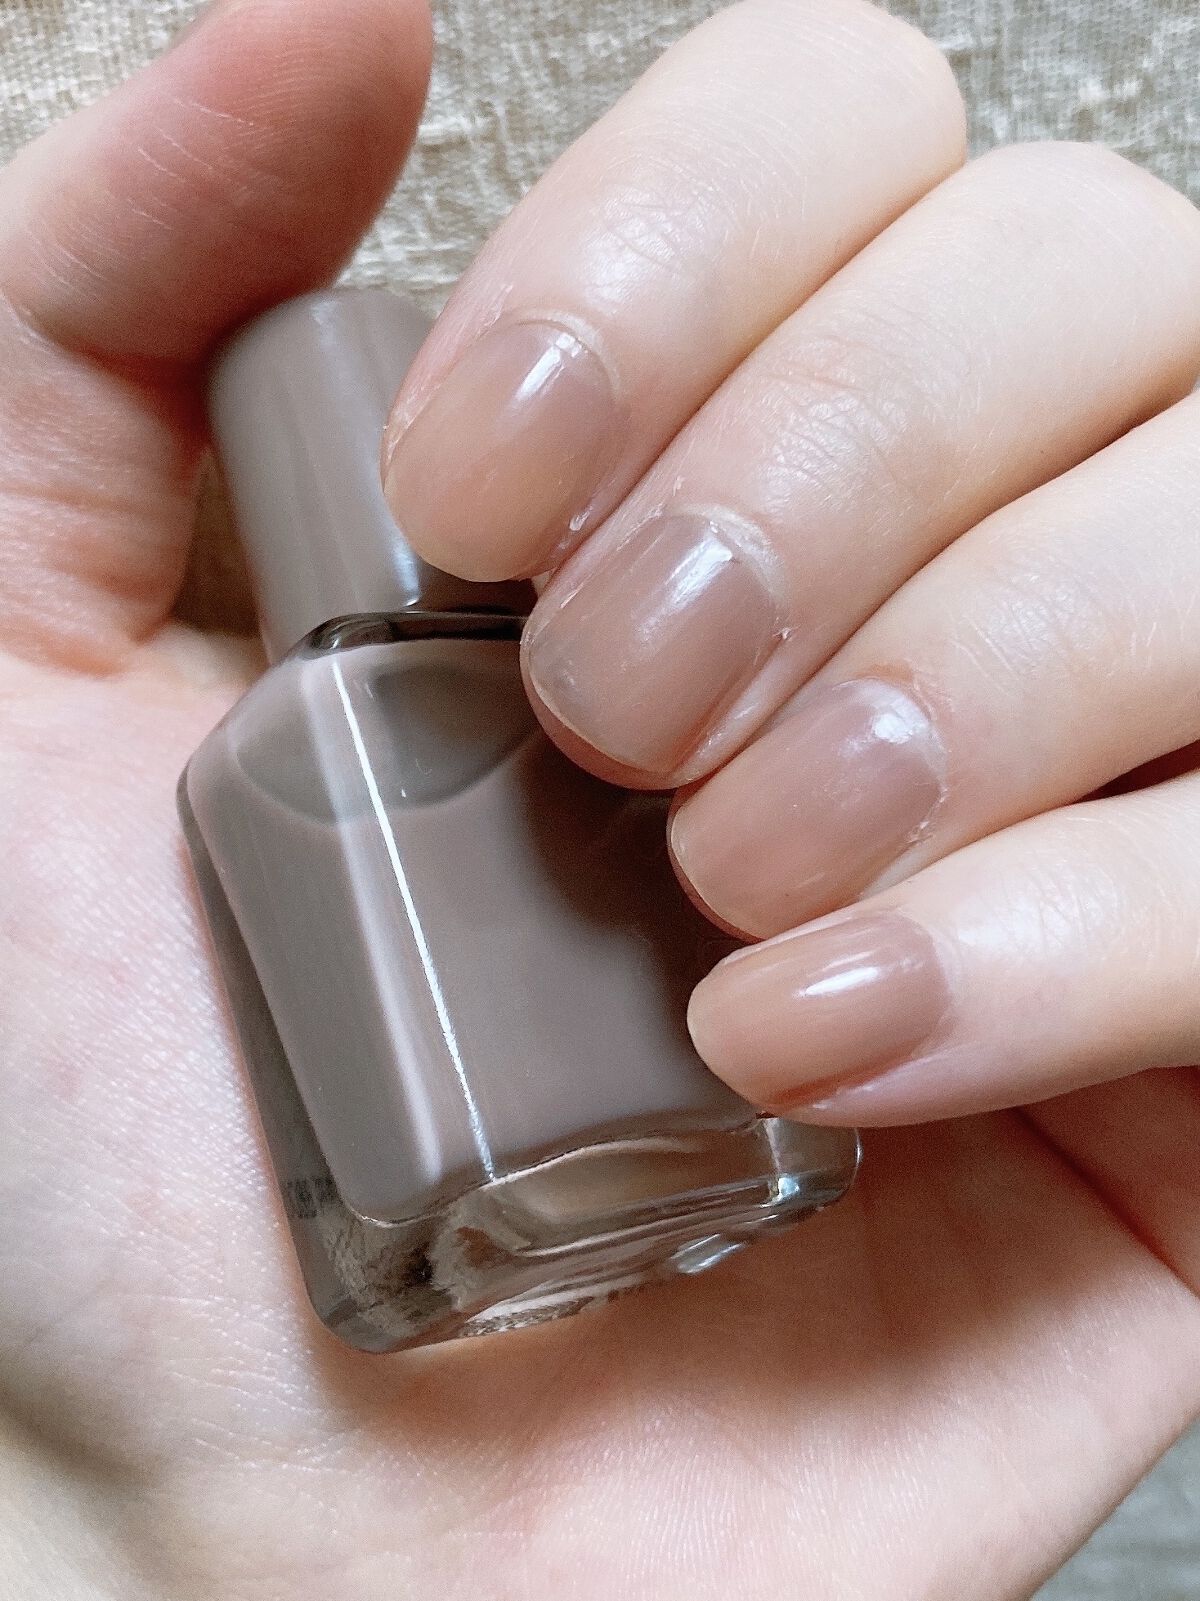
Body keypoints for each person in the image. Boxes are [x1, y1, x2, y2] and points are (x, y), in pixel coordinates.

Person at [1, 0, 1196, 1593]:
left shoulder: (538, 685)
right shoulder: (260, 748)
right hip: (491, 1316)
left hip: (795, 1221)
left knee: (635, 686)